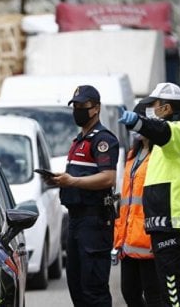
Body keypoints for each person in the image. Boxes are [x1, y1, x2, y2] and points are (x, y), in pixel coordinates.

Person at [117, 82, 180, 307]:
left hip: (173, 229)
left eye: (154, 105)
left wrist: (138, 122)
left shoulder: (178, 131)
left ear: (167, 108)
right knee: (175, 296)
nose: (152, 109)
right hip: (177, 228)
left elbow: (162, 131)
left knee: (174, 299)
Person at [44, 85, 120, 306]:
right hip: (76, 220)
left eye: (82, 106)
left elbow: (108, 178)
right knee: (76, 287)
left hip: (94, 221)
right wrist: (59, 179)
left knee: (93, 290)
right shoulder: (79, 139)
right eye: (74, 106)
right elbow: (80, 174)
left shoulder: (103, 139)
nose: (77, 110)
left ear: (95, 108)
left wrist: (73, 181)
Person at [113, 102, 163, 306]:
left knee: (153, 296)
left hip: (148, 239)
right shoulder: (132, 156)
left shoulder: (159, 155)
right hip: (129, 239)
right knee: (129, 292)